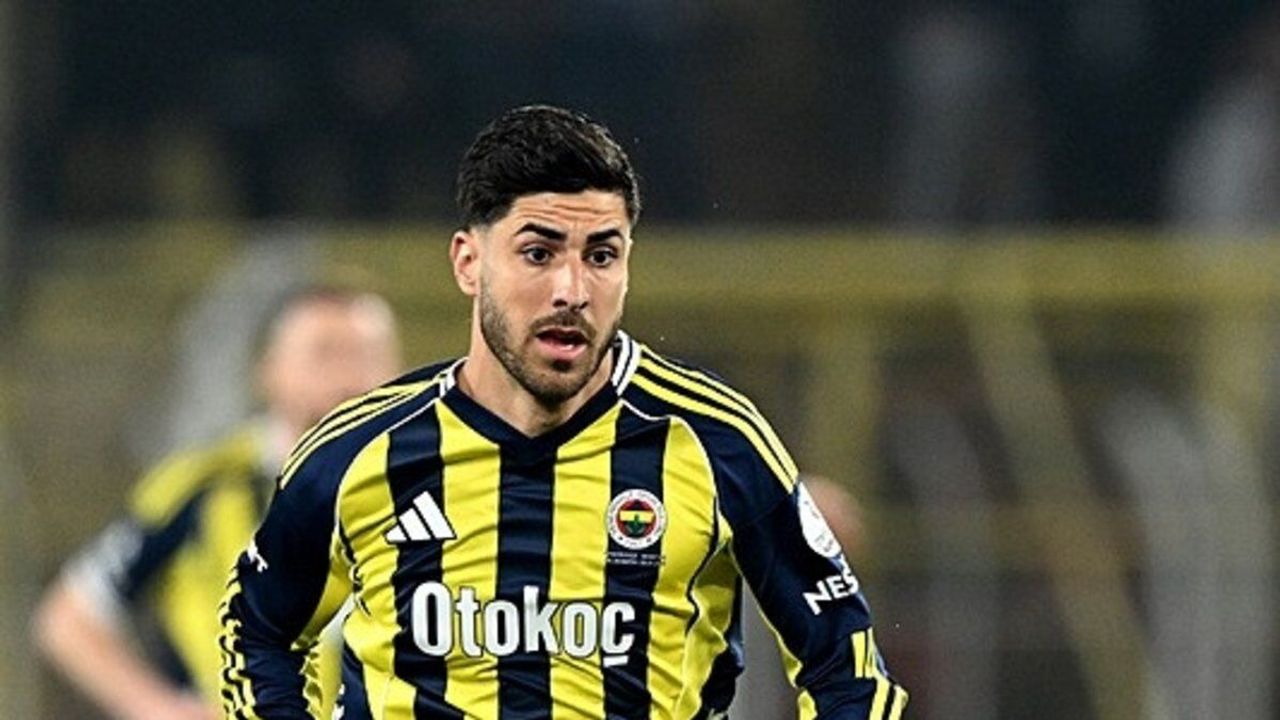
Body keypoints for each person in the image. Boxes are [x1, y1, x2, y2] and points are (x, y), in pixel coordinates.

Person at [219, 105, 907, 719]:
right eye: (538, 253)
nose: (572, 289)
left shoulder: (715, 439)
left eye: (601, 255)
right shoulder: (359, 449)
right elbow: (258, 633)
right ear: (468, 263)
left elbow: (845, 670)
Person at [33, 285, 402, 720]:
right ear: (269, 370)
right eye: (323, 353)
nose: (348, 378)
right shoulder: (204, 487)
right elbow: (69, 616)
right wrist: (160, 709)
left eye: (366, 355)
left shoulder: (437, 484)